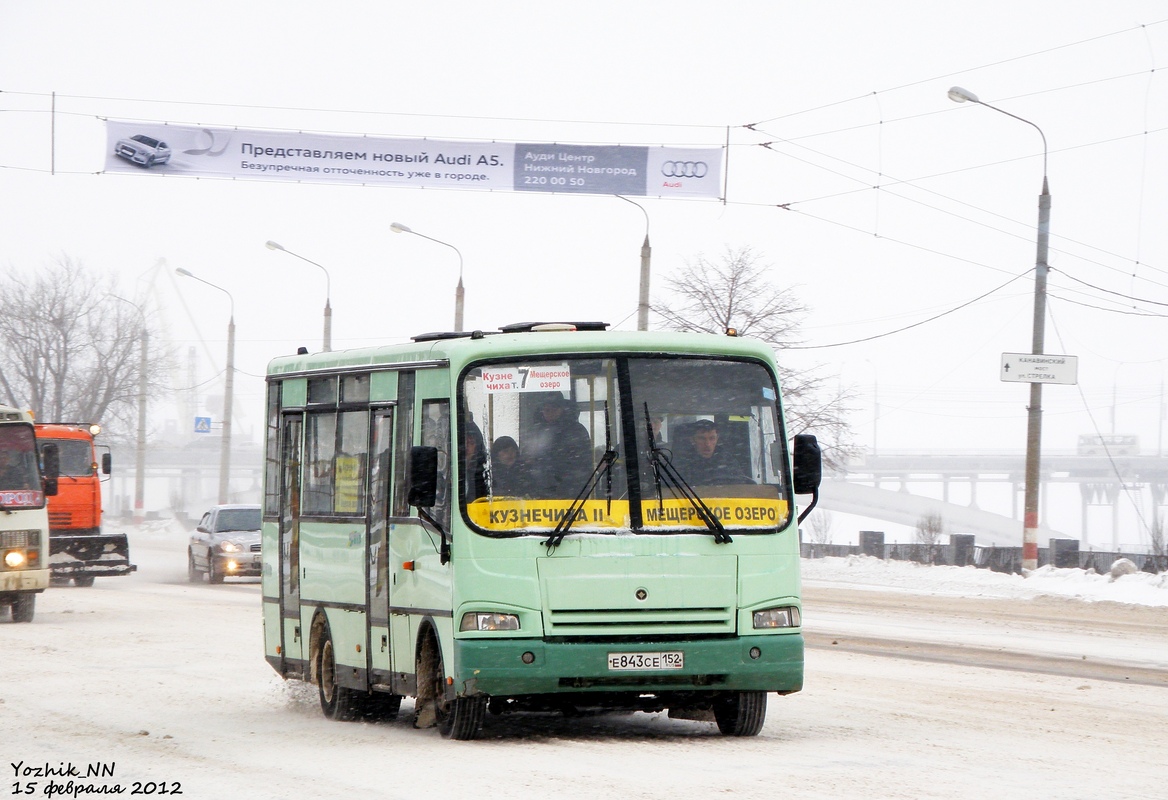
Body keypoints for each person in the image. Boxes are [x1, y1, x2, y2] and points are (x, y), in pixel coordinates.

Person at [524, 394, 593, 497]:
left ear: (562, 409)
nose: (549, 412)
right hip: (540, 491)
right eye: (546, 409)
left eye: (554, 408)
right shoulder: (536, 431)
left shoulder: (576, 430)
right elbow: (527, 457)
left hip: (572, 491)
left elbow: (582, 462)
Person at [674, 419, 739, 485]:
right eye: (702, 438)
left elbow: (739, 487)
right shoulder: (681, 463)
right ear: (692, 440)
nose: (707, 444)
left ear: (717, 439)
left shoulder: (728, 461)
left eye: (712, 438)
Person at [463, 421, 488, 500]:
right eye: (463, 442)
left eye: (471, 443)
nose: (466, 446)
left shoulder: (483, 474)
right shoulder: (445, 472)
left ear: (477, 448)